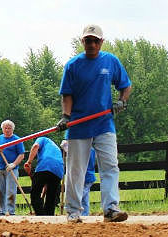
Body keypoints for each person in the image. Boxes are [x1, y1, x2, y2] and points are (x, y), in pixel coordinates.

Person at [56, 24, 132, 223]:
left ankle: (111, 209)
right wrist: (66, 116)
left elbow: (125, 86)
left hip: (104, 124)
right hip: (79, 125)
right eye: (88, 40)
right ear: (82, 41)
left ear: (101, 42)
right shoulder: (72, 66)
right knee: (76, 170)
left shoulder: (111, 61)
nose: (91, 44)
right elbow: (67, 94)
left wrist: (122, 101)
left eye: (95, 40)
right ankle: (73, 212)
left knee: (110, 166)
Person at [0, 120, 25, 215]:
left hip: (12, 169)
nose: (7, 130)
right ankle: (1, 211)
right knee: (0, 191)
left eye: (9, 128)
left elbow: (21, 155)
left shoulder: (17, 139)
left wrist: (14, 164)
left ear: (12, 129)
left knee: (11, 191)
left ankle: (10, 211)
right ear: (2, 129)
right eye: (5, 128)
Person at [24, 137, 64, 215]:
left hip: (45, 165)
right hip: (59, 170)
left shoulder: (42, 139)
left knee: (35, 193)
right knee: (51, 196)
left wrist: (29, 162)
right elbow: (46, 182)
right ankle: (49, 216)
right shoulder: (55, 148)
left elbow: (35, 146)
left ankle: (40, 215)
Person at [61, 140, 96, 216]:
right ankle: (85, 214)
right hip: (89, 176)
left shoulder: (85, 150)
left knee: (80, 195)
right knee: (85, 198)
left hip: (85, 176)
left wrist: (66, 147)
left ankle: (77, 212)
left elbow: (75, 156)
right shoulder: (92, 149)